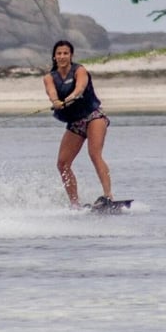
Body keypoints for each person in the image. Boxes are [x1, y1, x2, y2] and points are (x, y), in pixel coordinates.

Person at [43, 39, 113, 209]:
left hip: (93, 116)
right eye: (59, 53)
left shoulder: (79, 70)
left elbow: (80, 88)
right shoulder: (49, 77)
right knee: (62, 164)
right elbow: (51, 92)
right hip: (75, 123)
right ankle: (75, 204)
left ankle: (108, 196)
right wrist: (55, 101)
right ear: (54, 56)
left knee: (94, 154)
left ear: (71, 55)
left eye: (65, 53)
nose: (62, 56)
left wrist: (70, 98)